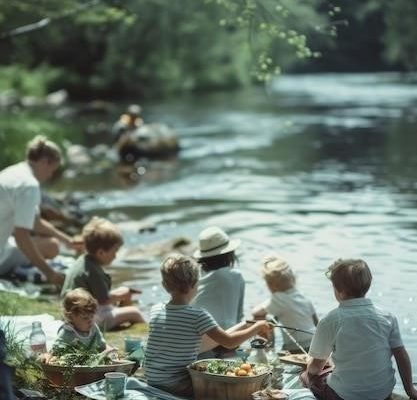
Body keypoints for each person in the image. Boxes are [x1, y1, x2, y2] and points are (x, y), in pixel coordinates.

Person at [144, 253, 269, 397]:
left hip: (153, 381)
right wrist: (257, 326)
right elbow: (229, 342)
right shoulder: (198, 315)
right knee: (227, 389)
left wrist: (247, 325)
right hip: (178, 385)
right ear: (195, 283)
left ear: (164, 285)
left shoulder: (155, 310)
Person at [301, 259, 417, 400]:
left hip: (344, 395)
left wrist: (309, 367)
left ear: (338, 290)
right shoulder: (388, 318)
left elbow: (316, 367)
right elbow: (401, 357)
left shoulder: (330, 320)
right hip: (382, 394)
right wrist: (410, 390)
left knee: (307, 376)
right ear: (367, 285)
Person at [0, 135, 77, 285]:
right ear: (43, 162)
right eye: (51, 170)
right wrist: (50, 274)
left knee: (54, 243)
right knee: (52, 246)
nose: (50, 176)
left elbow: (34, 221)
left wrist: (67, 240)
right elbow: (22, 237)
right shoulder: (29, 185)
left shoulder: (13, 172)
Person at [61, 217, 145, 330]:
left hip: (72, 314)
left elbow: (98, 296)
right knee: (135, 312)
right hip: (85, 319)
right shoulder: (92, 271)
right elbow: (103, 300)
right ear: (101, 252)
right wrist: (122, 294)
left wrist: (123, 292)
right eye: (114, 251)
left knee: (124, 291)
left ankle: (122, 319)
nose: (115, 256)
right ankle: (144, 332)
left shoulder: (84, 261)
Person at [252, 255, 318, 352]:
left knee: (261, 318)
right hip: (314, 342)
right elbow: (317, 322)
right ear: (293, 279)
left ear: (270, 285)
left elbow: (255, 312)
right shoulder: (302, 295)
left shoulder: (279, 298)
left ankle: (268, 350)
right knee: (273, 319)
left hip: (296, 347)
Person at [192, 226, 245, 330]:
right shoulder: (235, 276)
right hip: (227, 338)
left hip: (195, 338)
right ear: (230, 253)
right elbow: (239, 317)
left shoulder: (194, 276)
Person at [53, 288, 110, 352]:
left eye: (92, 316)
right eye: (85, 318)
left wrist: (109, 351)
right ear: (71, 317)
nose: (90, 320)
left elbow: (102, 346)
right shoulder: (67, 333)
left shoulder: (93, 328)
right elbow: (56, 351)